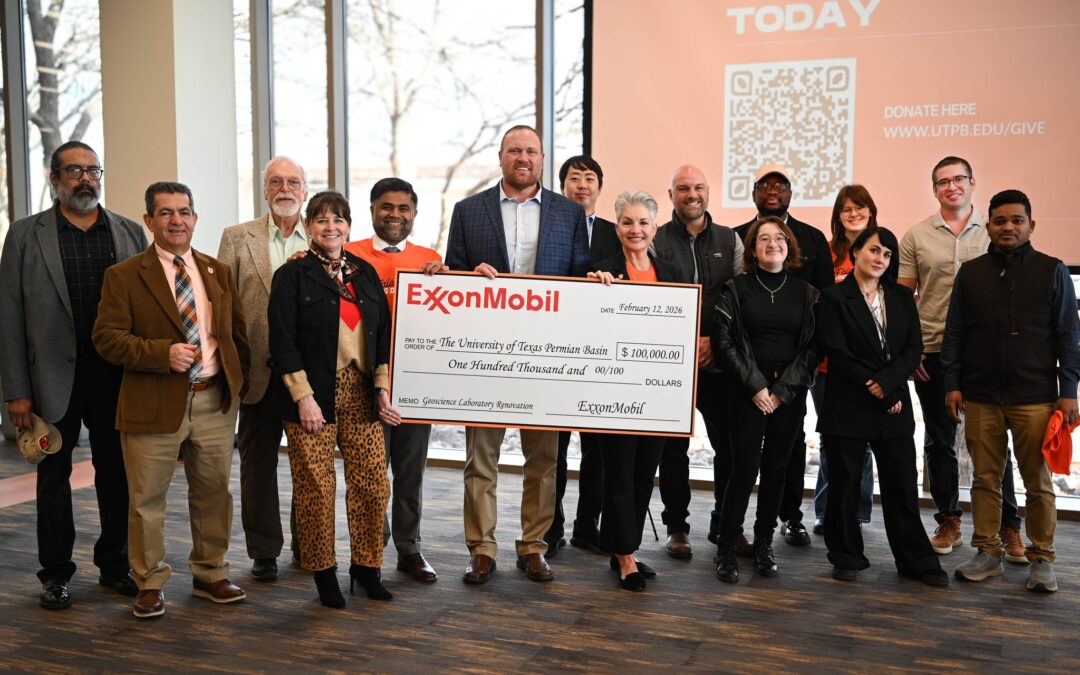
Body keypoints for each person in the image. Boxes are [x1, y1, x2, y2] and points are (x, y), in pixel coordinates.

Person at [93, 182, 250, 619]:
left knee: (214, 493)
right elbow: (106, 339)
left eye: (184, 212)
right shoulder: (123, 275)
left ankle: (211, 573)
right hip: (152, 402)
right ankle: (148, 581)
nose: (176, 220)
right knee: (146, 500)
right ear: (149, 221)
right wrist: (161, 355)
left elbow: (234, 333)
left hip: (214, 401)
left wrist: (241, 383)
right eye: (165, 213)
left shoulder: (217, 270)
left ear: (195, 219)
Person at [0, 141, 147, 610]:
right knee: (53, 480)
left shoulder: (127, 232)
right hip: (50, 381)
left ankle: (115, 564)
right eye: (74, 171)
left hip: (115, 377)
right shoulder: (25, 236)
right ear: (54, 178)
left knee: (117, 475)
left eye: (93, 170)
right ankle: (55, 574)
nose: (86, 179)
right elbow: (9, 316)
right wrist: (17, 391)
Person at [444, 124, 589, 584]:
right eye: (514, 151)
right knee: (480, 459)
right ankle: (481, 548)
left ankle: (533, 546)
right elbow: (453, 279)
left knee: (544, 461)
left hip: (547, 359)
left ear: (543, 159)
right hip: (487, 356)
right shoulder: (469, 211)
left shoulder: (570, 213)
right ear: (501, 157)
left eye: (530, 151)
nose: (522, 157)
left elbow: (582, 284)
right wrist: (469, 276)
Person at [944, 189, 1080, 593]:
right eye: (1000, 220)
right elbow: (954, 334)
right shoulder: (970, 273)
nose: (1008, 227)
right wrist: (952, 384)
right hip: (981, 394)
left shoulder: (1052, 270)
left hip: (1035, 396)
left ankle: (1042, 558)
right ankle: (988, 552)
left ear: (1030, 226)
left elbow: (1068, 336)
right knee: (985, 479)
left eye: (1016, 220)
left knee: (1037, 481)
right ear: (988, 226)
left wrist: (1068, 391)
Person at [268, 190, 399, 608]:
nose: (331, 227)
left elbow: (383, 337)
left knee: (374, 484)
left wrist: (383, 389)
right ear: (308, 227)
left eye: (338, 220)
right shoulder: (292, 276)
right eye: (321, 220)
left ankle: (367, 567)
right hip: (311, 394)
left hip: (361, 392)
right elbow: (282, 341)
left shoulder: (364, 274)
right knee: (316, 488)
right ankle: (324, 574)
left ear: (348, 226)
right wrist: (303, 398)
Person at [899, 157, 1023, 560]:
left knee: (994, 440)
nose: (951, 186)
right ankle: (949, 518)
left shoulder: (993, 233)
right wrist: (910, 348)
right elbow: (903, 300)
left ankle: (1009, 527)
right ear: (935, 190)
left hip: (984, 352)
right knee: (939, 439)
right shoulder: (917, 235)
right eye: (942, 182)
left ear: (972, 184)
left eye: (958, 179)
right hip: (931, 351)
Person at [816, 227, 948, 587]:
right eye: (873, 250)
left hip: (893, 405)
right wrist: (881, 387)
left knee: (902, 487)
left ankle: (915, 560)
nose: (880, 258)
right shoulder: (832, 297)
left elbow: (913, 349)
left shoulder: (902, 298)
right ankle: (845, 555)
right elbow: (837, 352)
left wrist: (889, 385)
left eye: (887, 254)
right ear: (856, 252)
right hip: (849, 403)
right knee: (844, 486)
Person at [344, 177, 443, 582]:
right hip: (362, 381)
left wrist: (448, 280)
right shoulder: (346, 255)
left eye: (403, 208)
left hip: (414, 382)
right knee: (368, 472)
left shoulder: (430, 259)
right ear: (371, 211)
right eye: (387, 207)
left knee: (409, 471)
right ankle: (370, 548)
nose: (395, 215)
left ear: (415, 214)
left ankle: (409, 548)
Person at [217, 156, 308, 582]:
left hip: (309, 376)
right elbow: (223, 308)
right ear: (265, 190)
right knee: (257, 466)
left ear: (305, 190)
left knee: (311, 465)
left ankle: (311, 542)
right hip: (256, 372)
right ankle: (265, 550)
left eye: (293, 181)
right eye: (276, 182)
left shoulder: (325, 234)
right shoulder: (237, 239)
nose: (285, 188)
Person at [713, 216, 818, 582]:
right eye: (764, 239)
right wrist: (757, 388)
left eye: (780, 238)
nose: (773, 243)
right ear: (753, 249)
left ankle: (762, 544)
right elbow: (724, 343)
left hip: (788, 396)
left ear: (789, 247)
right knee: (742, 470)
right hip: (746, 392)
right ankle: (726, 547)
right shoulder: (735, 289)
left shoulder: (806, 293)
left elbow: (812, 349)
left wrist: (780, 392)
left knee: (776, 470)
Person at [588, 189, 683, 591]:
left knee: (645, 473)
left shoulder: (673, 273)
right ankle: (625, 556)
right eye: (627, 222)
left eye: (643, 222)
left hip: (657, 393)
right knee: (620, 475)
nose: (635, 229)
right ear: (617, 227)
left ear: (655, 228)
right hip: (615, 392)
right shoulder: (601, 271)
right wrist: (592, 288)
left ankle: (624, 547)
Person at [734, 165, 832, 550]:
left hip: (795, 368)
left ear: (791, 193)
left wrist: (801, 367)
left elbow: (825, 302)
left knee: (789, 446)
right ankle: (733, 527)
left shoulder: (812, 238)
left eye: (781, 185)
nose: (773, 190)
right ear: (753, 193)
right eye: (764, 185)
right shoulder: (737, 236)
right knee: (741, 451)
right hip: (748, 368)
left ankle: (790, 517)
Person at [652, 164, 744, 560]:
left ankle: (725, 524)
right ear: (671, 195)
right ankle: (677, 528)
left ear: (709, 192)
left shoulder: (731, 239)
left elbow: (740, 299)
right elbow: (650, 299)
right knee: (673, 450)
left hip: (720, 362)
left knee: (729, 448)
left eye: (699, 187)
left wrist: (714, 343)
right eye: (684, 188)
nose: (692, 194)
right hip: (672, 363)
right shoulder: (655, 240)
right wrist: (685, 342)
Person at [547, 154, 621, 557]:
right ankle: (551, 528)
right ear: (562, 186)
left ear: (599, 187)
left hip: (602, 356)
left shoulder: (615, 232)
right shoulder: (550, 226)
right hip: (557, 351)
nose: (582, 185)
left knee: (598, 451)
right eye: (574, 178)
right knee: (553, 450)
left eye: (590, 178)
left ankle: (586, 526)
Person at [811, 186, 878, 535]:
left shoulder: (880, 249)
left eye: (860, 207)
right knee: (829, 438)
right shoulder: (827, 253)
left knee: (861, 439)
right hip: (826, 366)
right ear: (837, 215)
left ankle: (856, 510)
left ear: (870, 210)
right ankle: (826, 510)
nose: (853, 214)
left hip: (866, 365)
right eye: (846, 209)